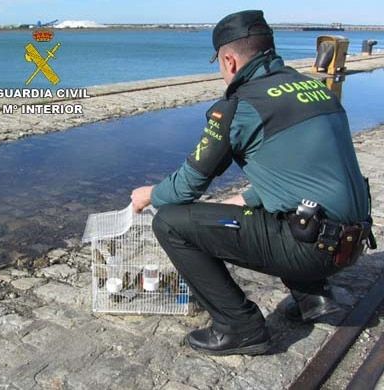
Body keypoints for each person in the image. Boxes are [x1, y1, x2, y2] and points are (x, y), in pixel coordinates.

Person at [130, 10, 374, 356]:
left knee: (169, 221)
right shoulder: (313, 88)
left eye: (218, 62)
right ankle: (313, 297)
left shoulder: (240, 105)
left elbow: (186, 188)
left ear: (229, 61)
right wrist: (244, 199)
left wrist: (148, 194)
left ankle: (239, 326)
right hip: (353, 241)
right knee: (269, 209)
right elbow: (299, 171)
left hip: (311, 248)